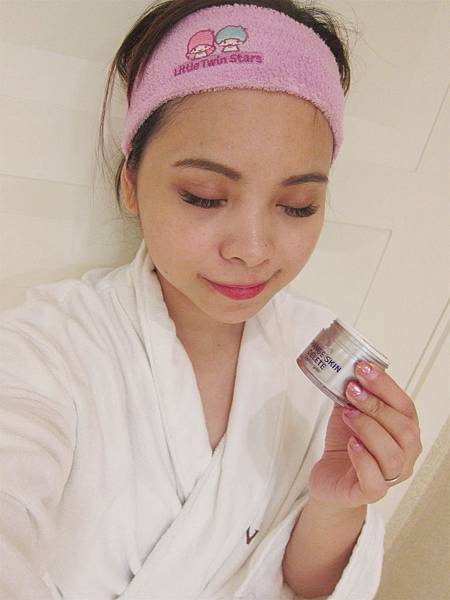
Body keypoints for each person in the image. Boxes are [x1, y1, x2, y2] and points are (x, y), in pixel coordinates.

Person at [0, 1, 423, 599]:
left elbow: (305, 585)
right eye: (203, 196)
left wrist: (339, 503)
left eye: (297, 205)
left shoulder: (320, 358)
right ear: (131, 184)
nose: (253, 250)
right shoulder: (48, 343)